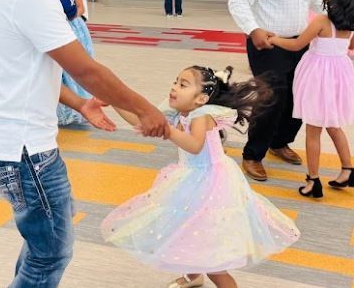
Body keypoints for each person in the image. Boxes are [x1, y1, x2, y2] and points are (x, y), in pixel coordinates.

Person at [0, 0, 168, 287]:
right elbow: (87, 71)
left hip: (5, 141)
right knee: (50, 254)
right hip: (24, 149)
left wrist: (79, 104)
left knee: (40, 243)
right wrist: (146, 111)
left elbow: (21, 72)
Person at [102, 66, 300, 288]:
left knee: (212, 257)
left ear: (201, 98)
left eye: (183, 84)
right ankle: (194, 276)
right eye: (175, 81)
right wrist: (113, 102)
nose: (174, 87)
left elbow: (195, 146)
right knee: (187, 231)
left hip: (212, 183)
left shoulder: (201, 116)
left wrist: (168, 130)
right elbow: (141, 120)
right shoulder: (179, 114)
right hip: (188, 179)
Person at [228, 0, 324, 182]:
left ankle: (280, 142)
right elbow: (238, 1)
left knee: (299, 99)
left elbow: (317, 3)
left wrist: (340, 20)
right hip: (267, 43)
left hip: (300, 43)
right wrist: (253, 29)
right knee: (272, 100)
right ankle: (252, 155)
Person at [269, 0, 354, 198]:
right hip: (340, 74)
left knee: (313, 130)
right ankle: (348, 170)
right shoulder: (353, 25)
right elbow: (350, 48)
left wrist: (274, 38)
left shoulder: (322, 22)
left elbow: (296, 45)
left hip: (318, 74)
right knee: (334, 125)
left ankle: (313, 180)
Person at [57, 0, 96, 126]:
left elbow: (81, 8)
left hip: (73, 27)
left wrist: (69, 18)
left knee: (75, 70)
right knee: (60, 74)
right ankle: (61, 110)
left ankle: (79, 107)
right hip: (56, 28)